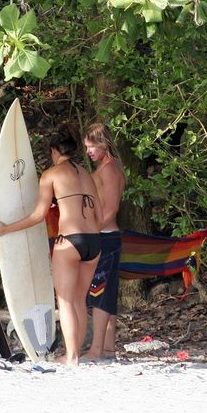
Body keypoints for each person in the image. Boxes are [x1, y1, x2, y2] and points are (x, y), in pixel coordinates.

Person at [0, 126, 103, 365]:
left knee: (64, 300)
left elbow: (38, 215)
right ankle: (76, 353)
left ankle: (71, 357)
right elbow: (100, 214)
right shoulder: (87, 174)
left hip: (70, 242)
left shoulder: (51, 174)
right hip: (94, 242)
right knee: (80, 300)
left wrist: (5, 229)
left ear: (54, 151)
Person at [82, 123, 126, 361]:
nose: (88, 152)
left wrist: (91, 233)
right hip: (106, 236)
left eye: (91, 147)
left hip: (106, 236)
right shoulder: (109, 167)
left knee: (99, 292)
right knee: (106, 292)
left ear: (104, 144)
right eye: (86, 147)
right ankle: (108, 348)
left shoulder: (109, 170)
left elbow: (111, 209)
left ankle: (96, 350)